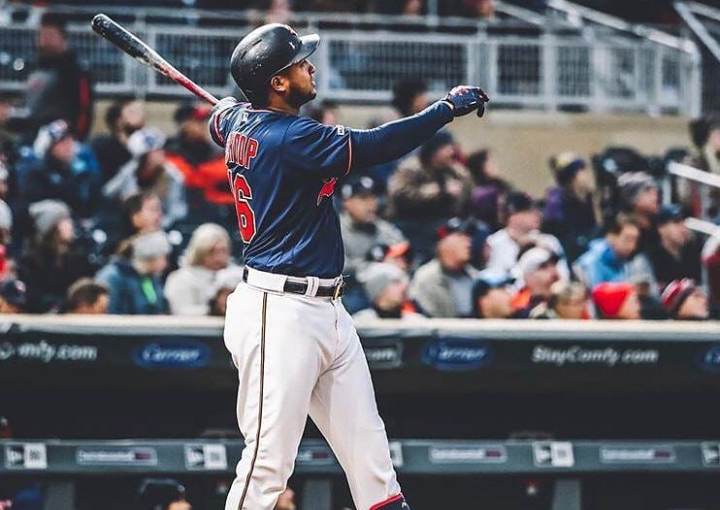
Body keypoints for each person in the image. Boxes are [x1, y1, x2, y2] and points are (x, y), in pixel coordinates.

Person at [210, 22, 488, 510]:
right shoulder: (290, 136)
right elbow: (377, 145)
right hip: (278, 310)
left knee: (371, 458)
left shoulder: (238, 123)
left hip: (327, 310)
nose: (310, 66)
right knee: (266, 465)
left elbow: (224, 122)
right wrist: (444, 109)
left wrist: (228, 113)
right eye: (298, 63)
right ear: (276, 83)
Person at [22, 12, 93, 140]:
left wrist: (76, 139)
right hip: (34, 139)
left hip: (62, 142)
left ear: (62, 38)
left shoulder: (75, 71)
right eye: (41, 35)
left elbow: (84, 109)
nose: (43, 41)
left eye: (49, 35)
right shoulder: (34, 69)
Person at [18, 200, 95, 312]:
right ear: (52, 227)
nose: (71, 224)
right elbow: (33, 298)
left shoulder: (78, 259)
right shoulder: (30, 262)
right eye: (65, 220)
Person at [103, 127, 187, 228]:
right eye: (156, 151)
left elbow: (176, 212)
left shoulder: (172, 176)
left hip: (162, 226)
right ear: (143, 156)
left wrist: (156, 225)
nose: (162, 153)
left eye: (161, 149)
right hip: (129, 224)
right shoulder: (129, 171)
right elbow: (107, 192)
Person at [16, 119, 101, 217]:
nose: (69, 145)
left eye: (71, 139)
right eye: (63, 141)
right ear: (49, 146)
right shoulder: (36, 173)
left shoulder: (79, 171)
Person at [388, 130, 473, 224]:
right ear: (434, 150)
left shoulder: (453, 171)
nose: (451, 152)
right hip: (410, 220)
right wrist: (436, 191)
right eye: (447, 147)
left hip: (441, 219)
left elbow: (467, 192)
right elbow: (398, 194)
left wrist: (459, 189)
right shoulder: (411, 168)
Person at [409, 218, 480, 318]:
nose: (468, 242)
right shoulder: (426, 278)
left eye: (468, 237)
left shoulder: (475, 277)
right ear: (443, 242)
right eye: (460, 236)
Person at [165, 102, 231, 208]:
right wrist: (213, 172)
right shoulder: (171, 149)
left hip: (215, 206)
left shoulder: (210, 147)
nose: (203, 126)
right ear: (184, 124)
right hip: (185, 207)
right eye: (197, 121)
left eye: (204, 121)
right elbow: (191, 179)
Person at [486, 191, 566, 278]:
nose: (538, 214)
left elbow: (563, 274)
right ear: (513, 216)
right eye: (530, 211)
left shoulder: (549, 241)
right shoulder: (494, 243)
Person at [574, 213, 657, 294]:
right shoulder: (592, 261)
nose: (632, 246)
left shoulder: (623, 260)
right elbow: (598, 297)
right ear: (611, 237)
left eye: (635, 240)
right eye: (628, 239)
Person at [340, 177, 405, 278]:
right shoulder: (335, 230)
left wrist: (400, 261)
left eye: (373, 198)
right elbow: (339, 268)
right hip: (350, 289)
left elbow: (405, 250)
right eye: (363, 198)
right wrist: (375, 265)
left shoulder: (384, 228)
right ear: (347, 203)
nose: (371, 204)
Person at [165, 223, 233, 315]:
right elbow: (180, 312)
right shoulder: (180, 279)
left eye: (223, 251)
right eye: (212, 251)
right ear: (200, 252)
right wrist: (213, 308)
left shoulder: (238, 277)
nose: (219, 258)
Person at [96, 230, 171, 315]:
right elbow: (109, 312)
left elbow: (156, 306)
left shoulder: (149, 278)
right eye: (164, 257)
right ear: (150, 257)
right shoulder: (113, 277)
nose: (166, 263)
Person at [542, 152, 598, 263]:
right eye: (583, 171)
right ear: (572, 177)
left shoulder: (586, 197)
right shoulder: (557, 202)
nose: (587, 175)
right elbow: (559, 234)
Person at [647, 204, 702, 289]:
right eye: (676, 223)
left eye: (684, 222)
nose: (683, 229)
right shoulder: (651, 257)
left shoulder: (693, 252)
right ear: (661, 228)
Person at [90, 99, 145, 185]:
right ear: (119, 121)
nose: (141, 116)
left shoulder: (144, 149)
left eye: (140, 112)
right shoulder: (102, 147)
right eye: (132, 112)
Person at [353, 262, 420, 320]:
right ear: (380, 290)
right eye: (396, 282)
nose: (403, 287)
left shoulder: (417, 322)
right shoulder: (360, 323)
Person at [510, 246, 561, 315]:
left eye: (554, 265)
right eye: (544, 267)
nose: (553, 272)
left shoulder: (567, 300)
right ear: (527, 276)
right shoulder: (518, 305)